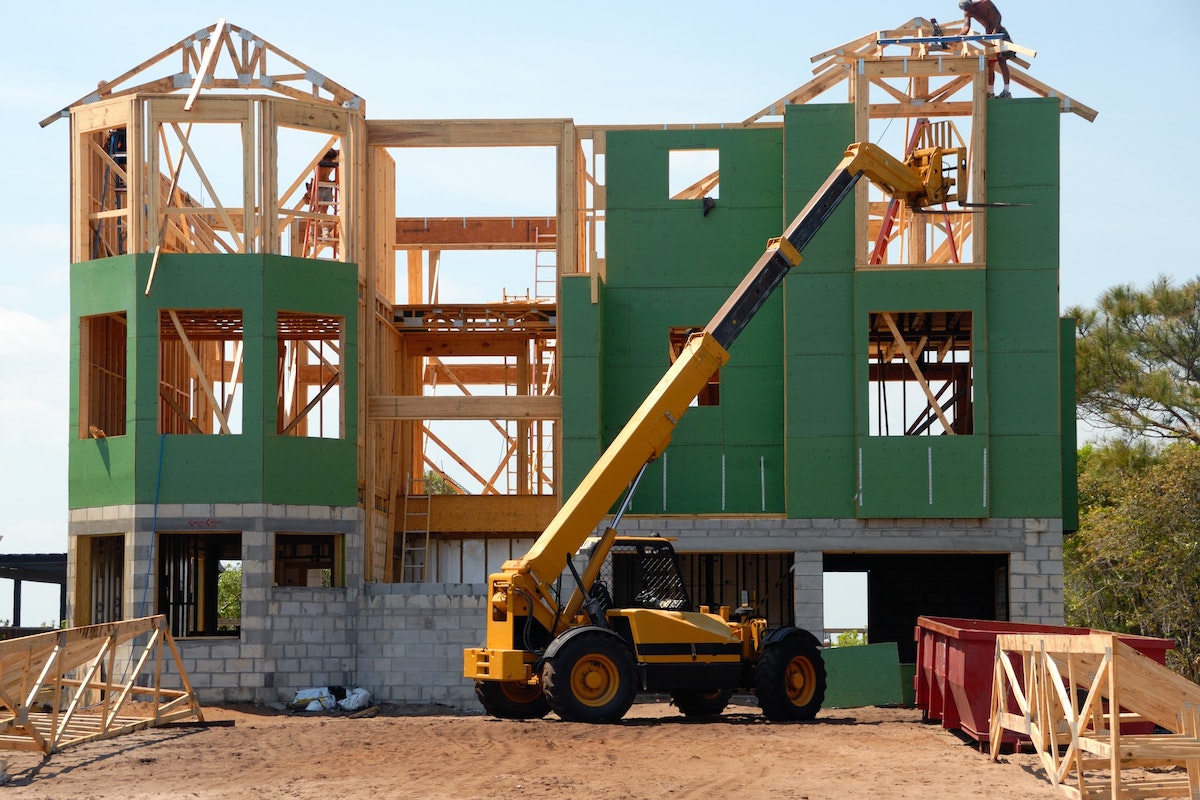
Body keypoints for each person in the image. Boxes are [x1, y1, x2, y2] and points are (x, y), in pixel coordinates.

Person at [958, 0, 1014, 98]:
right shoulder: (968, 13)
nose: (968, 10)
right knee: (990, 63)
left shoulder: (985, 3)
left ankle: (1006, 91)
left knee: (1002, 60)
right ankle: (990, 92)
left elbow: (998, 16)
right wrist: (959, 37)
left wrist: (995, 30)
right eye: (966, 9)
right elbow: (966, 28)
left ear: (971, 3)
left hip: (1000, 31)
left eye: (969, 7)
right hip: (989, 36)